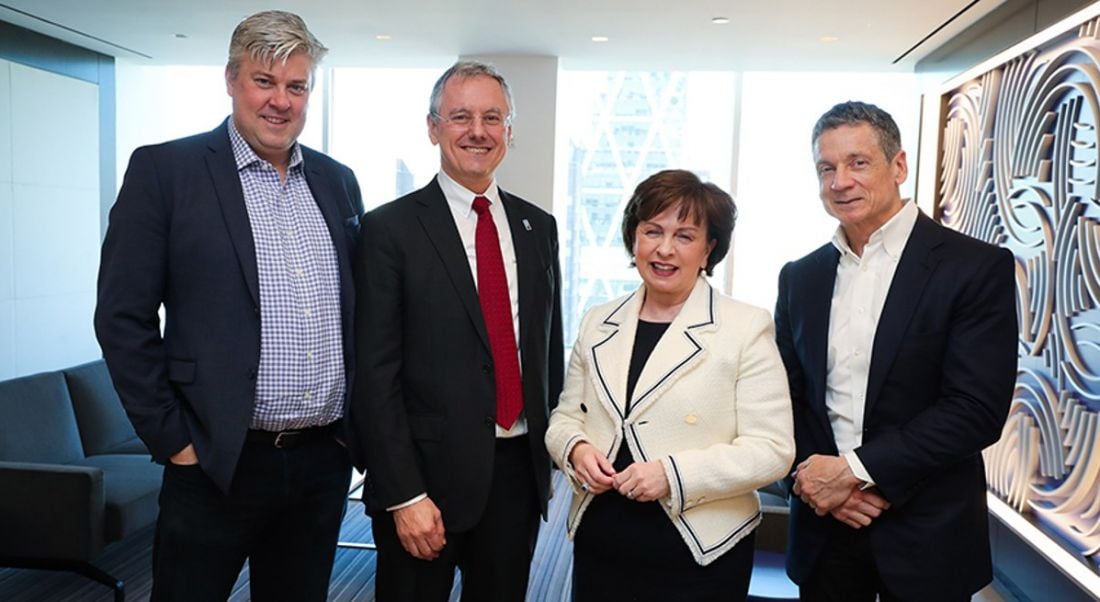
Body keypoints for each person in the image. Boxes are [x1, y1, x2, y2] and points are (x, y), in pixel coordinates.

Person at [94, 11, 363, 601]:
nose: (280, 101)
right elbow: (121, 317)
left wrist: (348, 435)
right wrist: (175, 441)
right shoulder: (166, 171)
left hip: (321, 462)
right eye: (264, 81)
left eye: (296, 86)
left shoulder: (337, 181)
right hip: (215, 461)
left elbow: (357, 311)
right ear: (231, 79)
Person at [774, 101, 1017, 601]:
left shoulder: (974, 268)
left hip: (926, 531)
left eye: (858, 163)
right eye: (827, 168)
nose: (840, 181)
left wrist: (855, 473)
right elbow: (784, 397)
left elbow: (975, 410)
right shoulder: (800, 277)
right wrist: (819, 484)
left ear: (899, 166)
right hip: (825, 529)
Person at [347, 61, 563, 601]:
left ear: (509, 130)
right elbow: (374, 373)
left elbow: (545, 352)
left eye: (493, 117)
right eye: (460, 116)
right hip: (426, 482)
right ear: (432, 127)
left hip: (516, 474)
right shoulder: (388, 229)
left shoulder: (539, 227)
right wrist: (402, 493)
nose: (478, 131)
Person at [544, 169, 795, 601]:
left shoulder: (744, 326)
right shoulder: (598, 321)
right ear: (633, 238)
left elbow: (773, 450)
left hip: (698, 548)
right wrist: (575, 450)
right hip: (602, 538)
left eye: (684, 236)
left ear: (708, 248)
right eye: (652, 231)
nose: (664, 249)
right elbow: (566, 416)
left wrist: (671, 474)